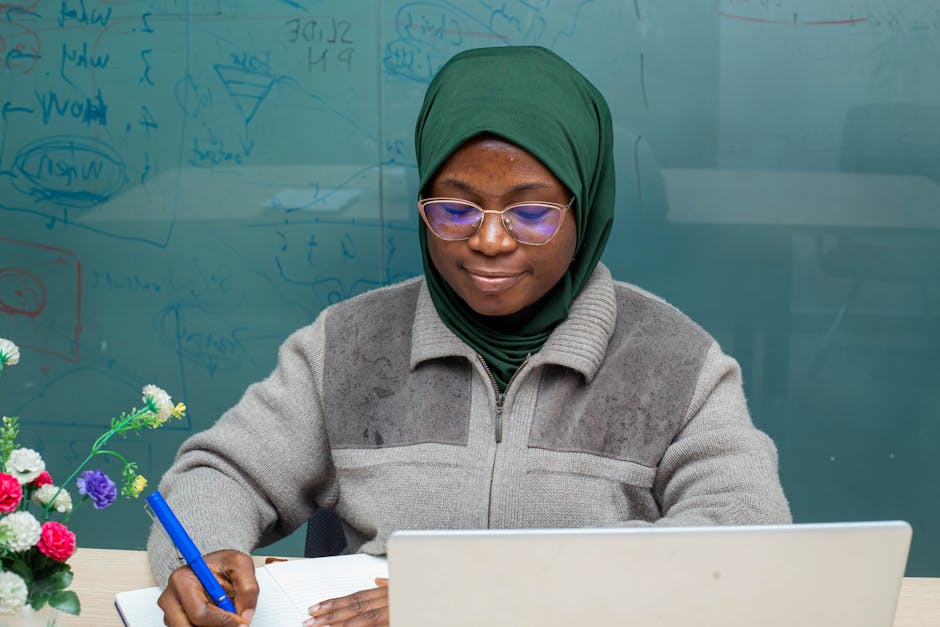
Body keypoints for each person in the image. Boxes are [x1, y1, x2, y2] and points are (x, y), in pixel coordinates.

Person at [148, 45, 791, 626]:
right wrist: (205, 552)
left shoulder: (676, 363)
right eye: (455, 210)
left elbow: (744, 538)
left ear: (585, 206)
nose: (488, 239)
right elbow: (221, 472)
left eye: (531, 212)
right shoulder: (347, 348)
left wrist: (480, 597)